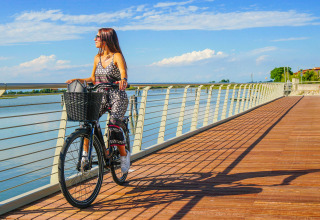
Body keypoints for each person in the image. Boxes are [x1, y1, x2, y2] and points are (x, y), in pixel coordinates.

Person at [66, 28, 130, 173]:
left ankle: (124, 156)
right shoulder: (97, 57)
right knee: (88, 121)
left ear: (106, 39)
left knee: (113, 124)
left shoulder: (116, 56)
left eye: (97, 37)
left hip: (116, 95)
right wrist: (78, 80)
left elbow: (123, 72)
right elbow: (93, 79)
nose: (94, 39)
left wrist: (123, 80)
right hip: (99, 95)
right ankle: (85, 156)